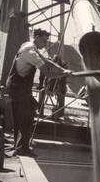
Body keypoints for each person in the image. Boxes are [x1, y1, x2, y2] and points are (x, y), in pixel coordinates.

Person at [5, 28, 70, 156]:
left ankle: (21, 144)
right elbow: (48, 73)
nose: (46, 44)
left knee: (25, 114)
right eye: (44, 41)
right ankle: (22, 148)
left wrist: (63, 70)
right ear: (37, 38)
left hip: (18, 87)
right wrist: (63, 75)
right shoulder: (31, 52)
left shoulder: (28, 45)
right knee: (26, 116)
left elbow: (47, 61)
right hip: (18, 88)